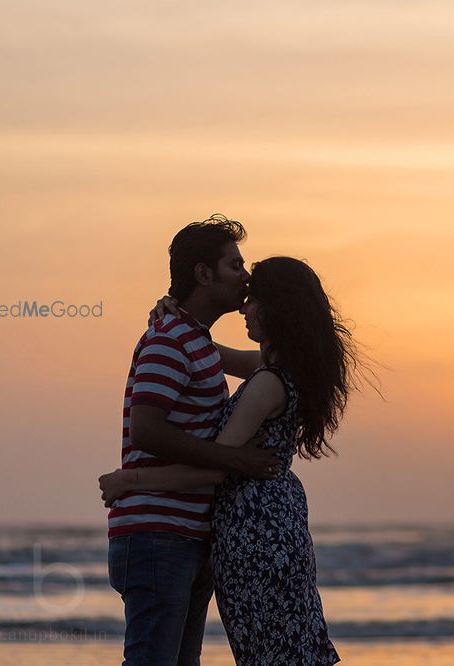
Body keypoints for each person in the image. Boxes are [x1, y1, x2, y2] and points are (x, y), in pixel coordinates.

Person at [102, 256, 361, 665]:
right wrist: (174, 317)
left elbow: (217, 466)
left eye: (254, 300)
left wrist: (129, 481)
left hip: (255, 534)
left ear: (277, 309)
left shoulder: (266, 384)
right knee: (284, 647)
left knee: (266, 651)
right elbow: (209, 352)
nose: (244, 307)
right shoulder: (281, 369)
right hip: (275, 525)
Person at [103, 214, 280, 666]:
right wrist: (233, 460)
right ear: (203, 273)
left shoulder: (195, 340)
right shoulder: (169, 340)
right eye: (235, 265)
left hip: (188, 532)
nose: (245, 276)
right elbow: (146, 428)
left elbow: (276, 364)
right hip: (157, 532)